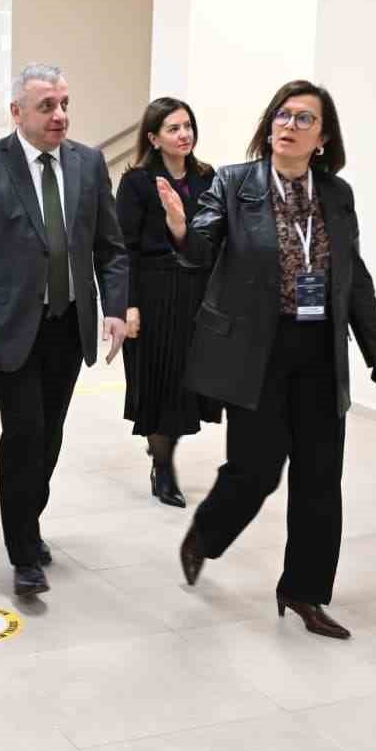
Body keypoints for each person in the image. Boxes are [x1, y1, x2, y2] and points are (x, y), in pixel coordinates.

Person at [156, 80, 376, 640]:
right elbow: (200, 249)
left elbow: (353, 280)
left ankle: (304, 591)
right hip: (257, 350)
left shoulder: (336, 195)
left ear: (323, 138)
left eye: (304, 118)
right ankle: (206, 534)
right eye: (282, 115)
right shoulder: (235, 183)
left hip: (320, 351)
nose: (289, 126)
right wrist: (178, 226)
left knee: (321, 478)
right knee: (256, 471)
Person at [0, 63, 128, 597]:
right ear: (17, 112)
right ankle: (23, 551)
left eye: (64, 104)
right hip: (10, 328)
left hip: (68, 325)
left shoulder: (88, 163)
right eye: (47, 106)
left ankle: (28, 518)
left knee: (50, 435)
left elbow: (110, 246)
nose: (60, 116)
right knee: (24, 433)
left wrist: (115, 307)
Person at [115, 98, 219, 507]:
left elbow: (215, 240)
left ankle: (163, 447)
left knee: (186, 386)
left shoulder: (207, 178)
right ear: (154, 138)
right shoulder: (137, 182)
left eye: (187, 126)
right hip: (153, 293)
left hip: (196, 292)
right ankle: (163, 466)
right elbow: (124, 248)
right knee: (160, 386)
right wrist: (128, 305)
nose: (184, 134)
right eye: (173, 128)